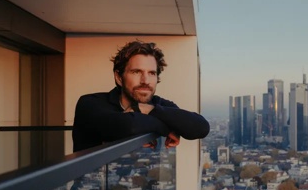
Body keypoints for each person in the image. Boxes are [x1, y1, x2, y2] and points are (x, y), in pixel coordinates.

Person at [72, 41, 209, 152]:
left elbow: (200, 127)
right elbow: (129, 125)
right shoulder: (90, 103)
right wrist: (167, 128)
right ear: (119, 77)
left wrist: (147, 110)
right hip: (91, 186)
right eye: (136, 72)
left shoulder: (155, 104)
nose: (145, 80)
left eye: (152, 73)